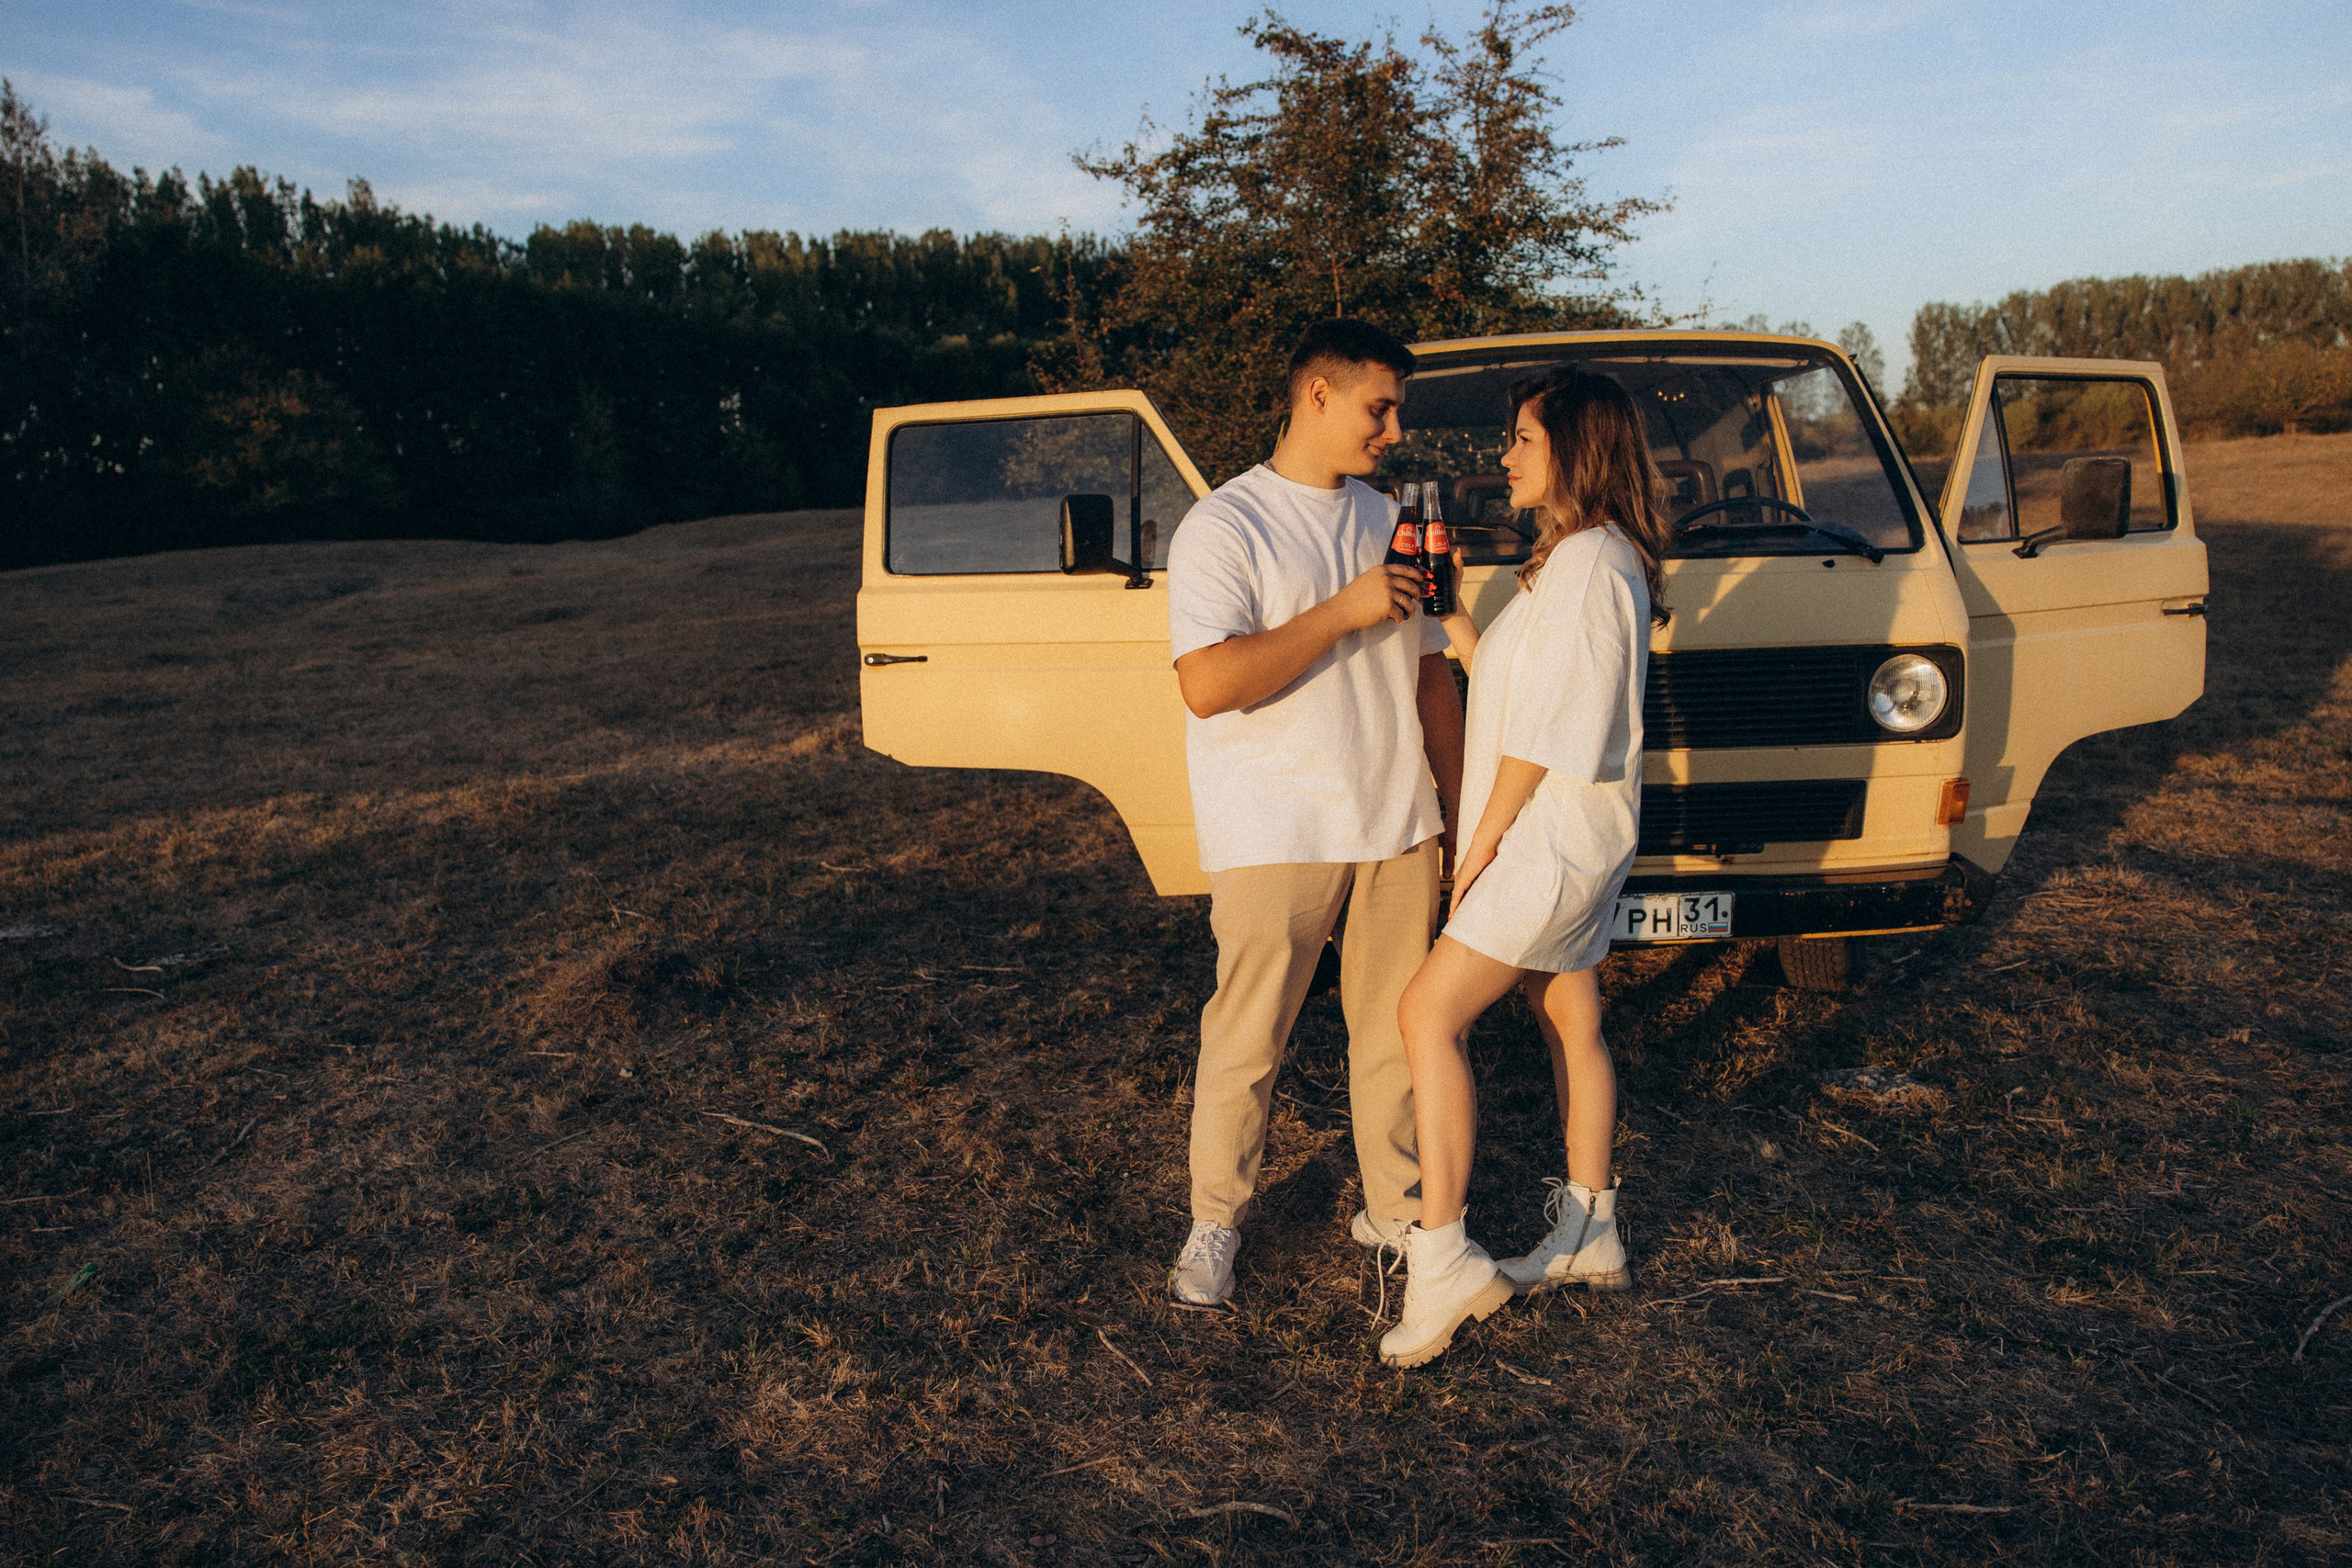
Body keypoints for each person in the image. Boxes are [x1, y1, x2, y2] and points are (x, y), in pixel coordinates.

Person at [1163, 318, 1466, 1310]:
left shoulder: (1393, 518)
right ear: (1317, 395)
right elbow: (1208, 684)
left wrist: (1462, 811)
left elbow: (1429, 677)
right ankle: (1215, 1220)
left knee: (1397, 1036)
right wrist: (1342, 609)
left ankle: (1397, 1212)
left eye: (1397, 411)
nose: (1393, 430)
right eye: (1379, 408)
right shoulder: (1225, 525)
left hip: (1396, 818)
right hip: (1275, 824)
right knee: (1248, 1036)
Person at [1377, 366, 1671, 1367]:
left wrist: (1481, 846)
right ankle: (1590, 1231)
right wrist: (1454, 617)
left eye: (1523, 439)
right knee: (1568, 1014)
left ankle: (1444, 1259)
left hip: (1547, 835)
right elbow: (1517, 683)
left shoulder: (1587, 564)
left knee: (1426, 1014)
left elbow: (1545, 735)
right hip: (1578, 832)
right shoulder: (1582, 559)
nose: (1503, 456)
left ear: (1575, 450)